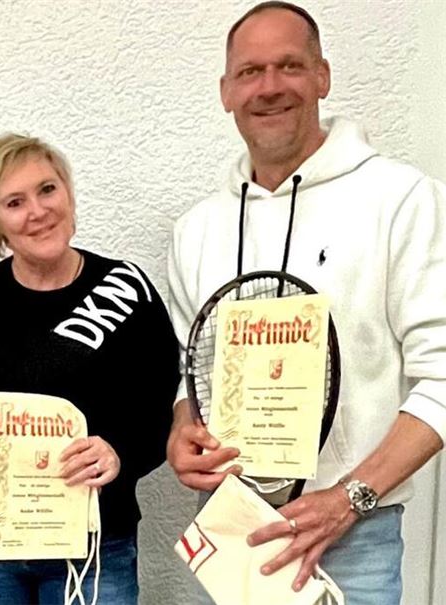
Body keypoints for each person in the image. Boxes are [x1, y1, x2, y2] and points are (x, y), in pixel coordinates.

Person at [165, 3, 446, 603]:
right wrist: (182, 428)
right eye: (250, 72)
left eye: (289, 66)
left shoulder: (402, 200)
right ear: (225, 92)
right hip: (230, 529)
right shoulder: (198, 228)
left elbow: (443, 376)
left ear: (322, 76)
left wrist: (348, 500)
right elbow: (188, 373)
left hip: (354, 541)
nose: (269, 87)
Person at [0, 133, 179, 604]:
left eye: (48, 190)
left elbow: (163, 407)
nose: (37, 211)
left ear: (69, 194)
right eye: (14, 202)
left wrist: (121, 454)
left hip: (95, 540)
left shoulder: (128, 291)